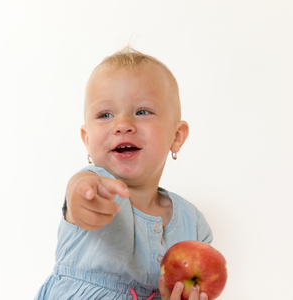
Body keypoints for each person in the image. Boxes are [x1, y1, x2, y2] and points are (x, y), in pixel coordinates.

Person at [35, 47, 213, 300]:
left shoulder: (192, 223)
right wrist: (82, 198)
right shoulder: (96, 188)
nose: (122, 125)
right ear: (87, 141)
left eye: (142, 111)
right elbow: (81, 187)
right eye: (105, 115)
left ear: (176, 136)